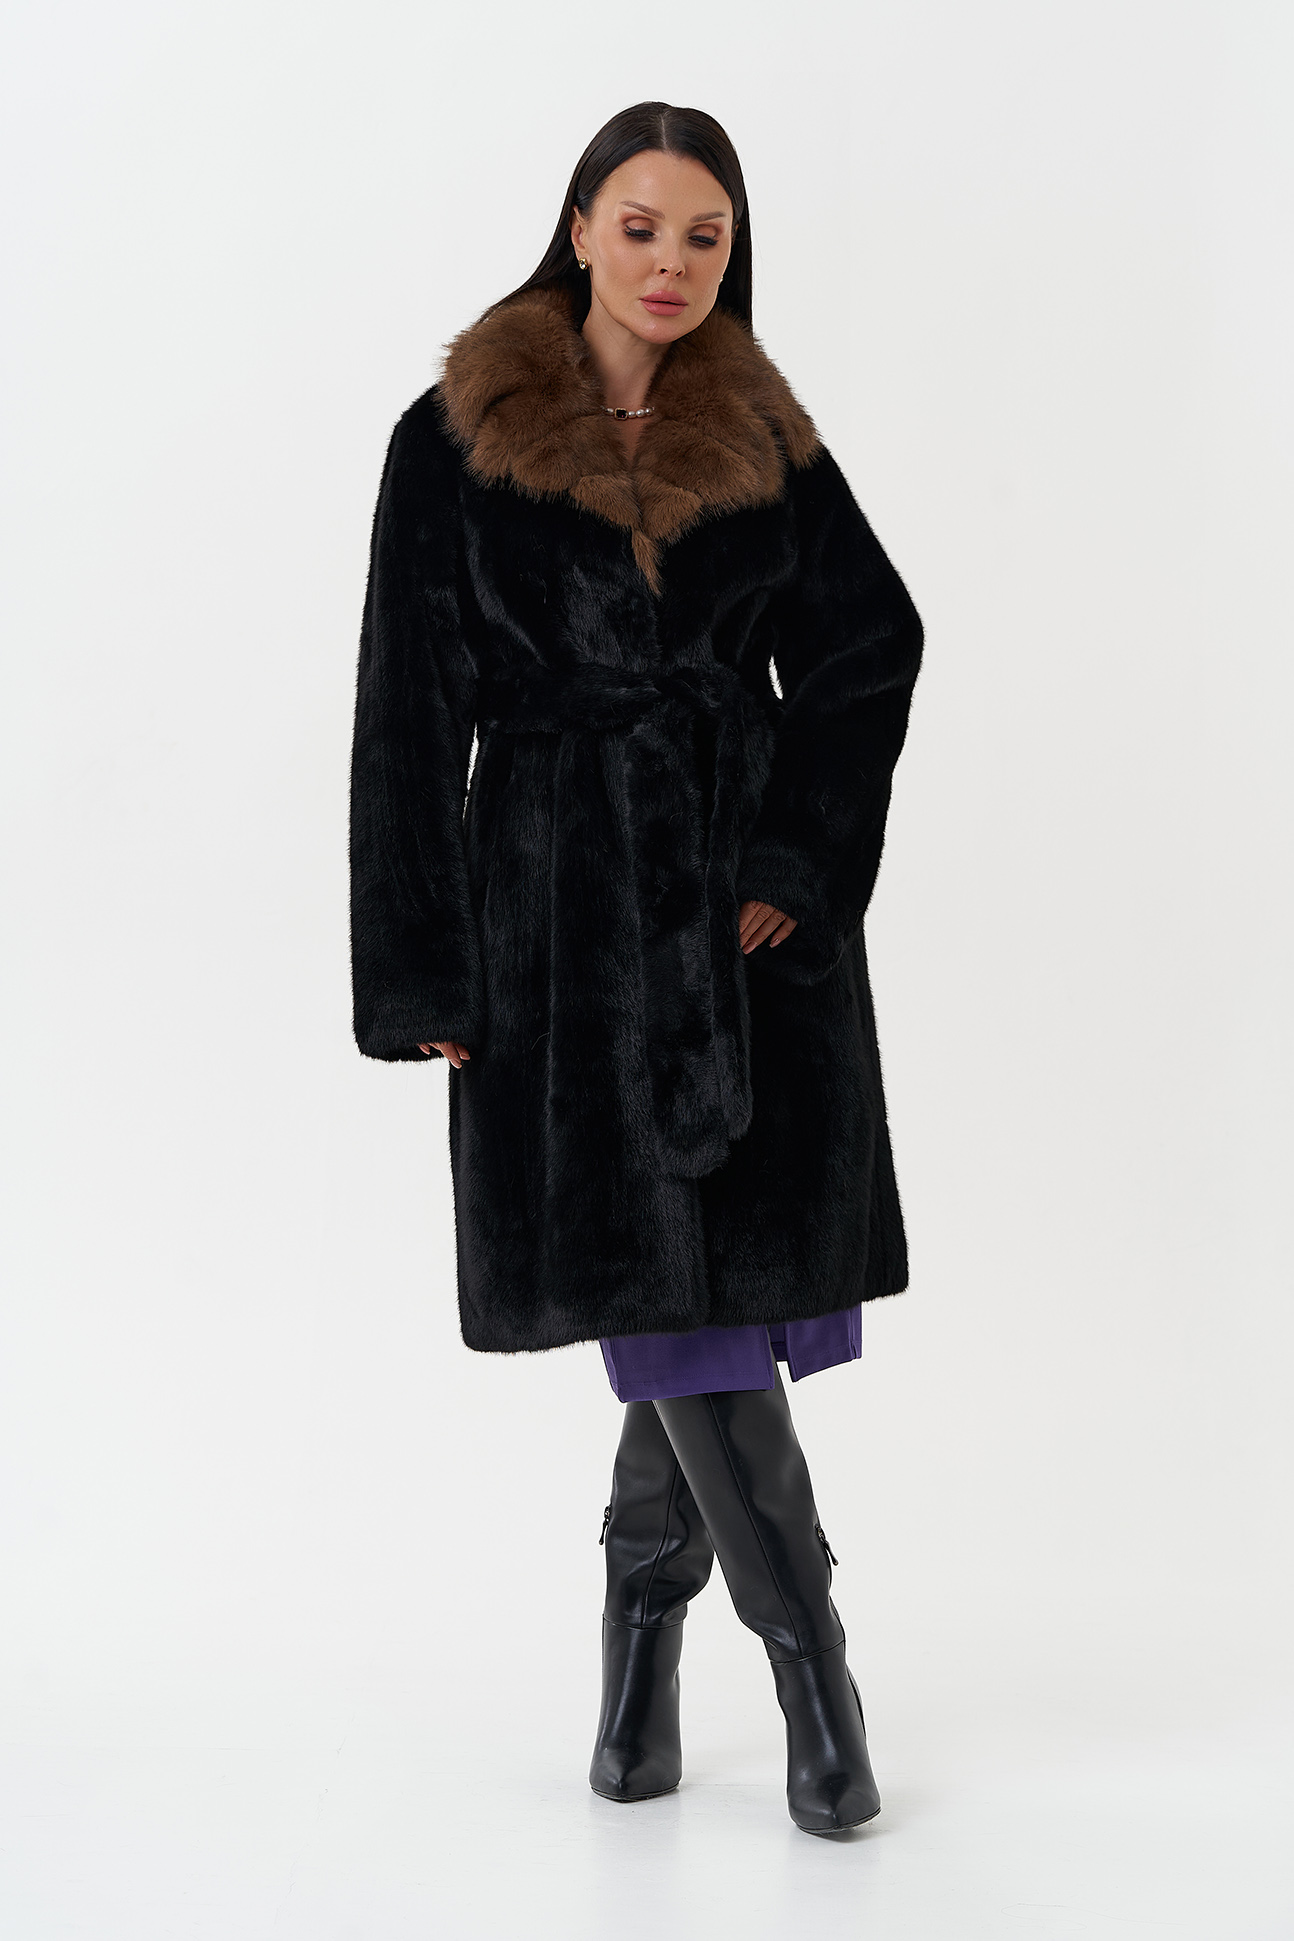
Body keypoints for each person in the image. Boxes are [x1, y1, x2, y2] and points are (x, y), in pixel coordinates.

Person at [349, 101, 924, 1834]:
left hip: (742, 933)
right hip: (555, 924)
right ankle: (813, 1666)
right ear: (579, 225)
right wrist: (426, 970)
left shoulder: (763, 433)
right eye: (642, 224)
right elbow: (405, 716)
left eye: (705, 235)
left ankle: (637, 1672)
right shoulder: (451, 439)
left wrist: (793, 862)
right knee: (669, 1315)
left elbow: (871, 640)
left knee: (698, 1308)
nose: (672, 262)